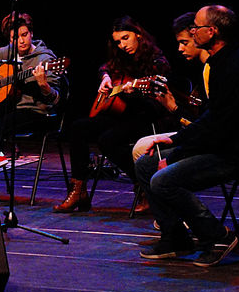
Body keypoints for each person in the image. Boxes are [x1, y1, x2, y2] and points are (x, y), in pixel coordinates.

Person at [135, 5, 239, 266]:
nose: (192, 31)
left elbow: (219, 129)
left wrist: (176, 154)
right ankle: (175, 237)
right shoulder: (218, 64)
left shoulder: (238, 67)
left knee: (163, 180)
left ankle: (216, 236)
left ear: (212, 31)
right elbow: (210, 120)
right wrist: (174, 140)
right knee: (146, 163)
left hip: (235, 153)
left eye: (196, 26)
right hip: (218, 145)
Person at [54, 16, 171, 213]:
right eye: (118, 41)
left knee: (107, 140)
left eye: (126, 38)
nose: (123, 45)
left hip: (146, 116)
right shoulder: (120, 58)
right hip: (121, 114)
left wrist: (136, 92)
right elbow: (104, 67)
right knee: (78, 127)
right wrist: (106, 78)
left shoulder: (157, 61)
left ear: (139, 35)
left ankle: (142, 184)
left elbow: (158, 98)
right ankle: (78, 189)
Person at [0, 12, 64, 203]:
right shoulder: (8, 51)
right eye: (15, 37)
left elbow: (55, 100)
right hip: (14, 108)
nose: (21, 41)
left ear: (31, 33)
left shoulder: (46, 59)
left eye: (24, 35)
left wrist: (44, 85)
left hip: (37, 112)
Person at [131, 12, 209, 162]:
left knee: (142, 153)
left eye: (184, 43)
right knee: (140, 145)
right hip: (200, 133)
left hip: (213, 142)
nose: (179, 49)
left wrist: (173, 108)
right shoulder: (201, 69)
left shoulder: (212, 70)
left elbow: (203, 126)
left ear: (198, 37)